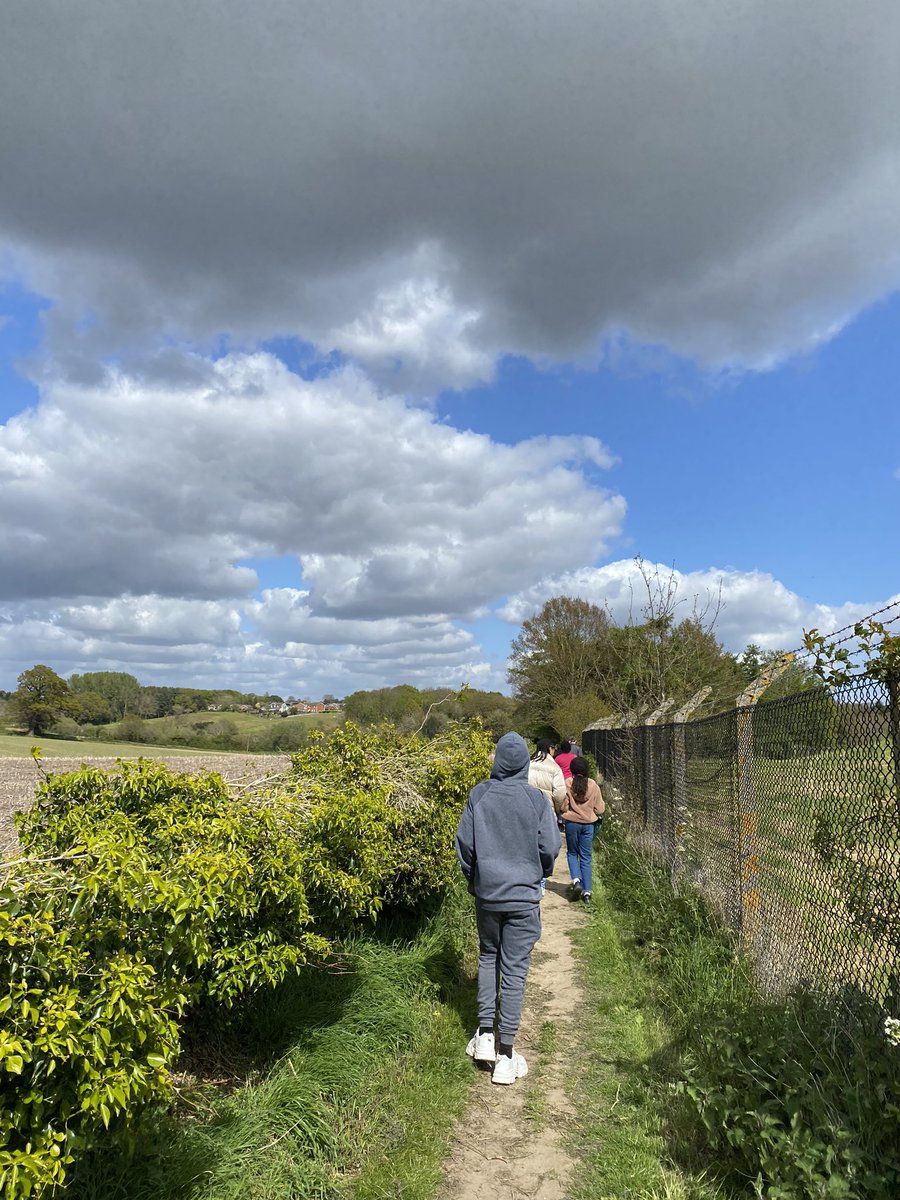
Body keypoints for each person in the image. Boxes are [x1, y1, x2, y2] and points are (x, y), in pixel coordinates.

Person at [455, 732, 561, 1085]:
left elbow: (465, 846)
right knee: (514, 971)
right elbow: (549, 847)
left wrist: (475, 880)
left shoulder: (479, 795)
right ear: (523, 764)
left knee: (488, 957)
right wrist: (540, 874)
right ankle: (506, 1054)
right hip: (523, 896)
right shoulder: (535, 800)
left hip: (488, 895)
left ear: (497, 760)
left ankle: (484, 1034)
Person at [560, 756, 605, 903]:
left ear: (572, 770)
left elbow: (564, 806)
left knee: (572, 853)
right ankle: (587, 893)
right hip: (588, 824)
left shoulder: (568, 783)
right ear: (587, 770)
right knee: (586, 857)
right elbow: (600, 809)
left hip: (572, 823)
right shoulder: (593, 785)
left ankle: (576, 881)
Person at [528, 739, 567, 816]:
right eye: (553, 748)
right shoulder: (555, 767)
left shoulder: (528, 764)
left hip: (528, 809)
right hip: (547, 811)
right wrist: (558, 809)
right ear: (549, 748)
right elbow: (559, 793)